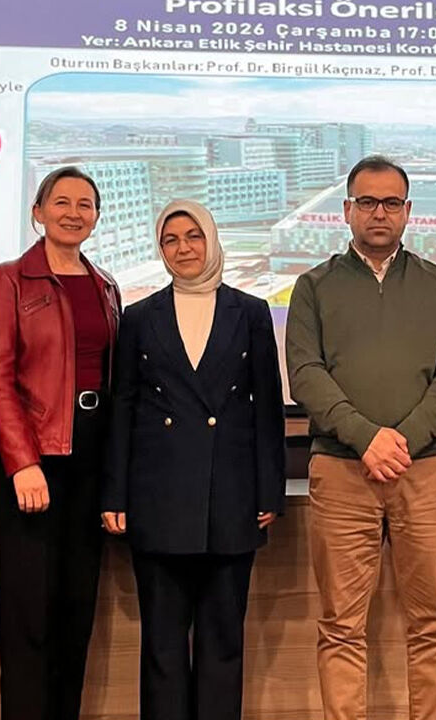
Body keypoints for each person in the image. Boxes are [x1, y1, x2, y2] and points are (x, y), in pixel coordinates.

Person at [286, 155, 436, 720]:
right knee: (341, 625)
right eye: (367, 202)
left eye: (391, 203)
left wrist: (401, 441)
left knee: (433, 623)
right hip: (341, 471)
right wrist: (366, 438)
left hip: (426, 471)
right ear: (346, 210)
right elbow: (305, 375)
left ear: (408, 211)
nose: (379, 213)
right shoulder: (312, 287)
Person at [102, 199, 286, 720]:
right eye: (170, 239)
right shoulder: (140, 316)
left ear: (211, 239)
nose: (183, 248)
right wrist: (115, 494)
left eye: (193, 236)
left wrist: (269, 490)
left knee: (223, 640)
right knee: (161, 644)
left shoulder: (250, 311)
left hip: (232, 497)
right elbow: (123, 407)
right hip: (158, 498)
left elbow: (267, 407)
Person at [0, 167, 121, 720]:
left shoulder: (106, 285)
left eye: (85, 204)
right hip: (32, 461)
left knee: (75, 610)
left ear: (97, 217)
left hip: (91, 457)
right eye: (61, 202)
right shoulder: (6, 279)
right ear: (37, 212)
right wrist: (21, 462)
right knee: (29, 615)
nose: (73, 213)